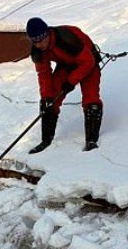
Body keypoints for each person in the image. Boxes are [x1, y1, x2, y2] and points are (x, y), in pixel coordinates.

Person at [26, 17, 103, 153]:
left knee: (91, 98)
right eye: (34, 42)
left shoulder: (66, 39)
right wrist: (46, 98)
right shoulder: (38, 51)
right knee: (50, 100)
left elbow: (88, 62)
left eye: (41, 40)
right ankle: (46, 140)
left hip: (88, 61)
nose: (39, 45)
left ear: (47, 34)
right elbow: (43, 74)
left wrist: (71, 81)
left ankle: (91, 140)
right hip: (66, 64)